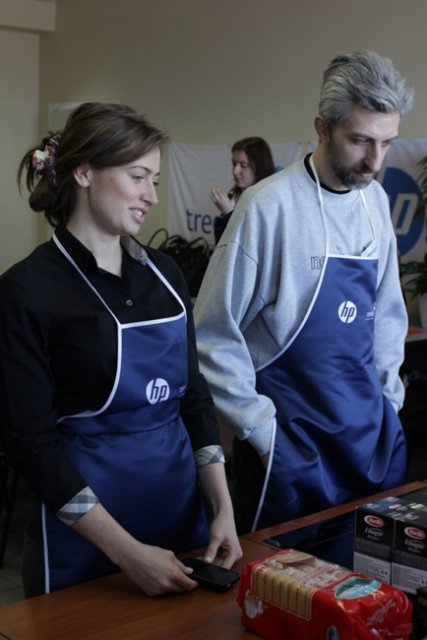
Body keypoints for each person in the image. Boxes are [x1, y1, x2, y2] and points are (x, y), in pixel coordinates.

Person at [0, 102, 241, 596]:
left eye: (155, 179)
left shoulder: (165, 274)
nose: (151, 196)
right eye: (137, 177)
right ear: (84, 172)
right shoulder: (27, 291)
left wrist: (222, 508)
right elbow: (32, 445)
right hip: (85, 544)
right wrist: (128, 554)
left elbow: (194, 398)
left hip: (181, 521)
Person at [194, 50, 414, 534]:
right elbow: (212, 333)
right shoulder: (267, 208)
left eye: (386, 143)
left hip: (368, 442)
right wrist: (261, 432)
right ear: (322, 127)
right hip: (290, 453)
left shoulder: (376, 203)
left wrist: (388, 405)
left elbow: (387, 317)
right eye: (360, 140)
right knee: (284, 576)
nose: (374, 161)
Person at [210, 136, 275, 243]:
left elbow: (252, 243)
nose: (235, 171)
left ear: (259, 166)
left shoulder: (271, 201)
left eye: (243, 165)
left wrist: (229, 214)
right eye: (234, 164)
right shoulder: (234, 195)